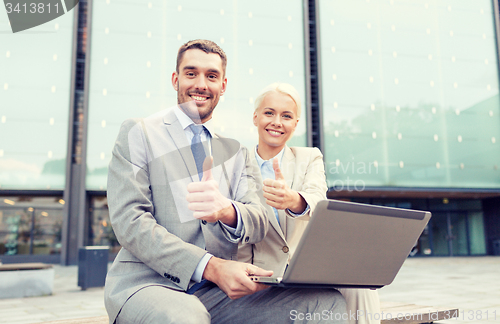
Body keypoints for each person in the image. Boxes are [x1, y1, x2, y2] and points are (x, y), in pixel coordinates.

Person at [104, 40, 347, 324]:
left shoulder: (237, 153)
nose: (201, 84)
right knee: (186, 316)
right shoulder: (139, 133)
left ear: (223, 85)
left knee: (325, 303)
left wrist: (226, 210)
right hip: (149, 284)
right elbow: (130, 223)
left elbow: (258, 219)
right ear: (175, 79)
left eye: (211, 76)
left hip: (216, 294)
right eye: (191, 73)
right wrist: (211, 267)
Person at [238, 83, 381, 324]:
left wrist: (293, 199)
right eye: (269, 113)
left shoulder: (309, 157)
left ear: (295, 124)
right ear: (255, 117)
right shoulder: (236, 163)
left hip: (305, 269)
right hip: (260, 274)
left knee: (361, 286)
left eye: (287, 116)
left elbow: (318, 199)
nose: (277, 122)